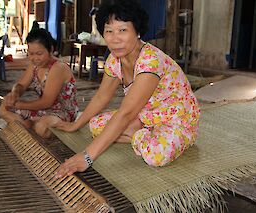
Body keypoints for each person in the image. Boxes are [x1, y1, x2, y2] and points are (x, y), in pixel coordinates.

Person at [55, 0, 200, 178]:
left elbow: (126, 113)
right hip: (145, 116)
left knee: (155, 155)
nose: (115, 39)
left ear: (137, 32)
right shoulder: (115, 60)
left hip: (176, 119)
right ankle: (144, 132)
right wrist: (75, 125)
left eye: (123, 30)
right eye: (109, 31)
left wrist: (87, 157)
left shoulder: (150, 60)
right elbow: (102, 97)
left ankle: (161, 136)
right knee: (95, 125)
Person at [0, 28, 79, 138]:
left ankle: (29, 128)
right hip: (44, 110)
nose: (35, 58)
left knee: (41, 127)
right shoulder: (34, 66)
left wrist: (18, 104)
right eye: (31, 54)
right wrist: (14, 94)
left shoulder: (58, 68)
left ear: (50, 49)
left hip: (63, 111)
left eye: (39, 54)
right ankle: (30, 127)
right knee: (3, 109)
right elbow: (21, 85)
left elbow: (47, 102)